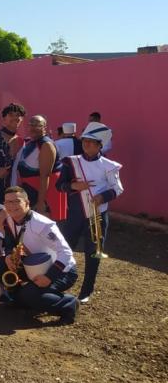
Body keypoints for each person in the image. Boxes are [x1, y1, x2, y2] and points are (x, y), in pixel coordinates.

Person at [56, 122, 122, 304]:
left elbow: (118, 188)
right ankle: (58, 283)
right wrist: (72, 186)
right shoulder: (71, 162)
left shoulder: (109, 165)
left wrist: (103, 197)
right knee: (65, 248)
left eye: (92, 142)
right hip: (75, 215)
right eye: (85, 141)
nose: (87, 145)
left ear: (100, 145)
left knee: (92, 254)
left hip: (97, 215)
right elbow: (59, 185)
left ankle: (87, 290)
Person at [1, 186, 78, 324]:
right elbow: (8, 242)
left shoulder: (43, 225)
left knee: (29, 294)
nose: (12, 206)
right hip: (36, 266)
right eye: (8, 202)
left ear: (27, 203)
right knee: (1, 267)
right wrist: (8, 256)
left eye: (16, 201)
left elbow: (66, 252)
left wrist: (49, 277)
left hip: (62, 270)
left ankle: (68, 304)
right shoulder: (8, 220)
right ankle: (25, 300)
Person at [11, 115, 66, 219]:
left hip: (43, 193)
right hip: (30, 190)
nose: (33, 128)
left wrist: (41, 202)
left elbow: (45, 176)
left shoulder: (46, 145)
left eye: (37, 125)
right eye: (31, 125)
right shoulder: (30, 142)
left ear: (44, 127)